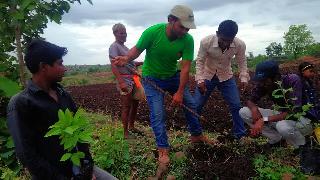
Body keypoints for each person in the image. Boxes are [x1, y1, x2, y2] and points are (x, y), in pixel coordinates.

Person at [113, 5, 214, 168]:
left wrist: (180, 92)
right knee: (158, 114)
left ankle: (196, 135)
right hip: (152, 78)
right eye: (182, 27)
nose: (184, 32)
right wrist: (126, 59)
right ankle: (162, 148)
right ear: (170, 20)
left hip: (173, 76)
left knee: (191, 104)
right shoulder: (152, 32)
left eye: (188, 29)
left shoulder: (188, 40)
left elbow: (186, 67)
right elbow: (136, 51)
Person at [7, 40, 117, 180]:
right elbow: (27, 156)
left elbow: (79, 132)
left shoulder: (63, 94)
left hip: (79, 169)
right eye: (60, 63)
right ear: (44, 67)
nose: (64, 68)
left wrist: (88, 168)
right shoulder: (21, 103)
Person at [194, 20, 249, 139]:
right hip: (207, 75)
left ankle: (240, 134)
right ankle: (195, 133)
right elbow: (200, 61)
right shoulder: (206, 42)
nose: (226, 43)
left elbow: (242, 62)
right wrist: (200, 80)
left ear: (234, 37)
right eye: (223, 40)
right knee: (197, 105)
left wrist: (244, 77)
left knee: (236, 105)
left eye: (229, 41)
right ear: (217, 33)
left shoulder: (240, 45)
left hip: (226, 76)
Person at [239, 60, 313, 148]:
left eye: (265, 80)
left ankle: (301, 147)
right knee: (244, 112)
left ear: (275, 77)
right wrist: (254, 109)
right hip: (283, 116)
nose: (262, 84)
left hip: (303, 119)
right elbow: (250, 100)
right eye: (260, 81)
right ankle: (276, 139)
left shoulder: (292, 80)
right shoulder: (265, 84)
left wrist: (263, 120)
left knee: (282, 126)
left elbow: (294, 112)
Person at [109, 23, 144, 139]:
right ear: (115, 34)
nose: (124, 35)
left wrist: (144, 62)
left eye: (125, 32)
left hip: (133, 79)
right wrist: (121, 82)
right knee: (126, 106)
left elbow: (131, 63)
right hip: (124, 80)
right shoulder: (114, 47)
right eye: (121, 33)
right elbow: (114, 66)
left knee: (135, 104)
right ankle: (125, 133)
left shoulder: (125, 48)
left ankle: (132, 127)